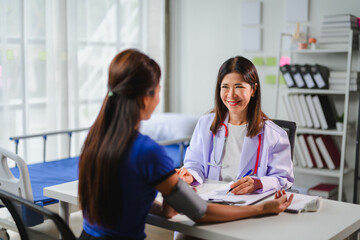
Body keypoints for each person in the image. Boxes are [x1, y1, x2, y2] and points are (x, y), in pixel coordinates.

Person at [78, 49, 294, 240]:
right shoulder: (150, 152)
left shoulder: (95, 138)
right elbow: (194, 211)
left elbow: (144, 203)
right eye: (159, 89)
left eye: (239, 86)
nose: (231, 94)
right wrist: (262, 209)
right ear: (146, 98)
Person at [177, 56, 294, 195]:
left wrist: (258, 183)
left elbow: (283, 178)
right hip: (212, 200)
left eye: (239, 87)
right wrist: (190, 175)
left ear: (253, 90)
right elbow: (194, 163)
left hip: (249, 202)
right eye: (225, 87)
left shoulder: (275, 135)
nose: (231, 95)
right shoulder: (205, 124)